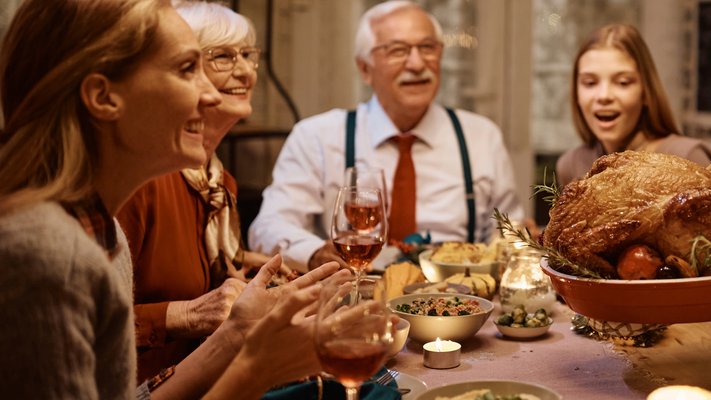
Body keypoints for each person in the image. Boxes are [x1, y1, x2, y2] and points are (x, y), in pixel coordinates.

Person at [0, 0, 338, 398]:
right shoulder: (46, 257)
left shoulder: (105, 233)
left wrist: (238, 334)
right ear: (103, 97)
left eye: (248, 57)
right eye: (186, 69)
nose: (212, 96)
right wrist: (255, 367)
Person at [249, 0, 525, 271]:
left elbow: (511, 230)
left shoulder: (481, 136)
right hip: (352, 299)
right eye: (397, 50)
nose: (417, 64)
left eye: (427, 48)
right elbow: (267, 227)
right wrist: (316, 253)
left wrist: (510, 245)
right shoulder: (317, 137)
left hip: (457, 302)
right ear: (365, 69)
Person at [115, 0, 289, 381]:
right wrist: (189, 314)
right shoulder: (142, 181)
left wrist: (243, 262)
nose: (244, 71)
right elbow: (92, 323)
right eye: (221, 57)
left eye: (247, 55)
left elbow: (204, 276)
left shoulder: (218, 182)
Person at [555, 23, 711, 186]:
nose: (604, 96)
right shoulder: (571, 165)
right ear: (576, 93)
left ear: (646, 92)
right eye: (590, 83)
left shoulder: (688, 158)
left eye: (623, 82)